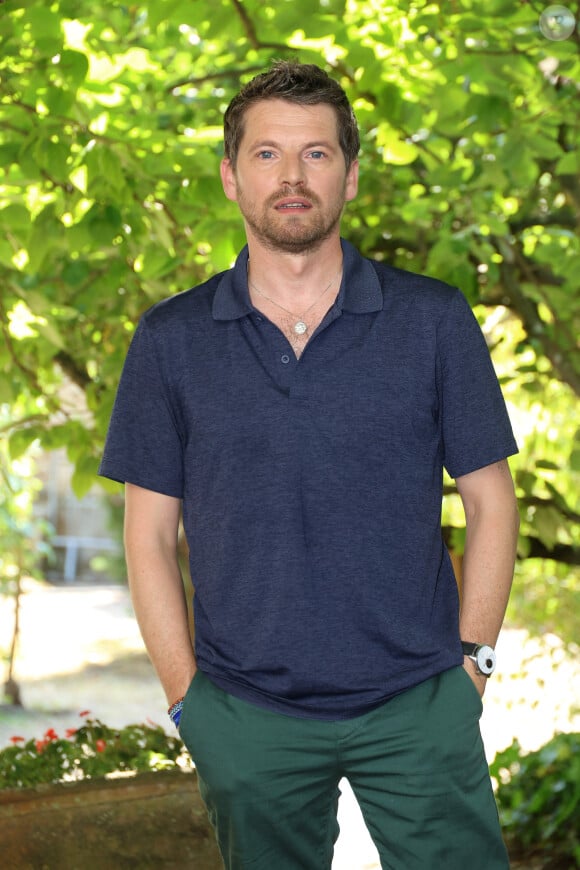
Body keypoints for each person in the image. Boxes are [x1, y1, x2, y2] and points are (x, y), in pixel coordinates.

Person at [99, 60, 520, 869]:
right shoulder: (171, 340)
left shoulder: (432, 320)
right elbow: (147, 537)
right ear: (230, 175)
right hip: (247, 714)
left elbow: (492, 502)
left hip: (420, 701)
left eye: (316, 154)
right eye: (266, 154)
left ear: (351, 175)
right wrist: (189, 700)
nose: (291, 177)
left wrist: (474, 664)